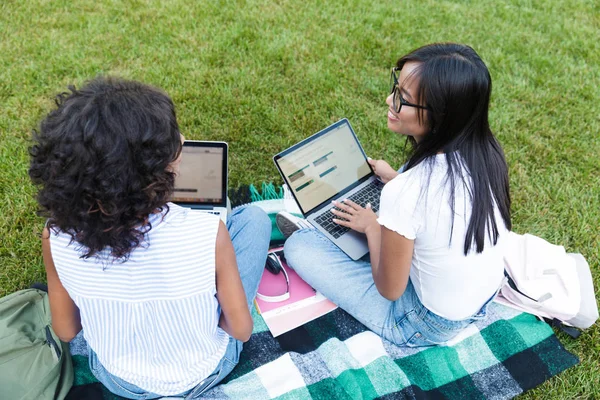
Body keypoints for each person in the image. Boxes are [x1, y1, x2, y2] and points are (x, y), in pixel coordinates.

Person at [28, 77, 271, 398]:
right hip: (207, 370)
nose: (182, 139)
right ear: (155, 174)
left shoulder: (56, 237)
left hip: (120, 380)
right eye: (171, 142)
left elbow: (67, 330)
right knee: (253, 219)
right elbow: (240, 330)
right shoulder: (207, 232)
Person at [278, 43, 511, 347]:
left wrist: (373, 226)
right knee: (400, 175)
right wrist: (396, 179)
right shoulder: (487, 156)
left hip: (421, 323)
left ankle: (327, 237)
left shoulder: (409, 190)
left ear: (441, 117)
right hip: (482, 296)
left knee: (299, 246)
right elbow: (437, 204)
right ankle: (352, 237)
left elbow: (390, 289)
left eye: (403, 98)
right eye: (396, 87)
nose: (390, 100)